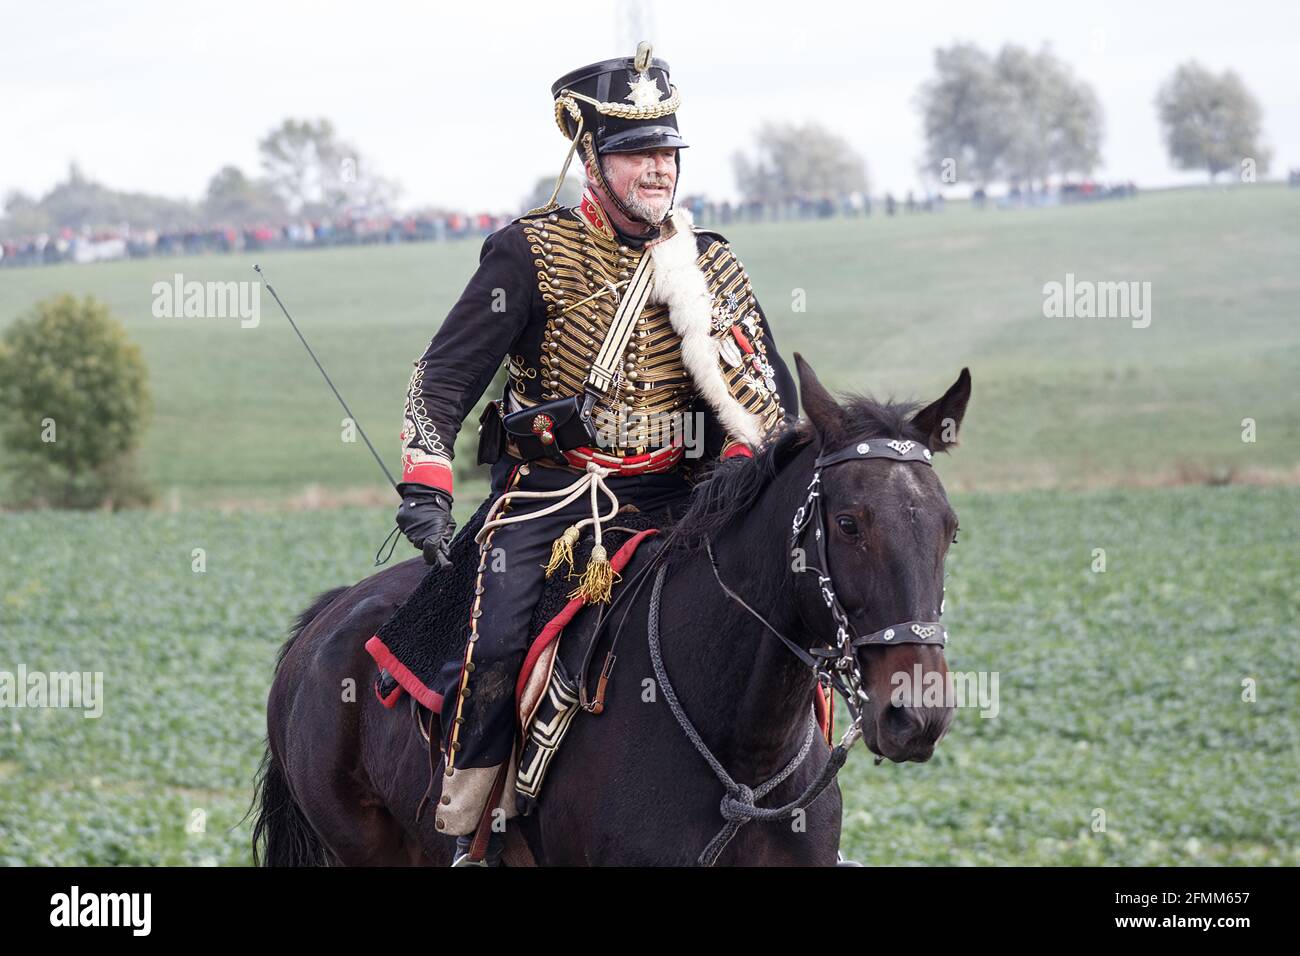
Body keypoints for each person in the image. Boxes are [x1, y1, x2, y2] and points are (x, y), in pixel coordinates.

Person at [393, 42, 797, 865]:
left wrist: (736, 476)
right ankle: (476, 830)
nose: (658, 170)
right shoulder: (528, 253)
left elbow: (765, 399)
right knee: (499, 636)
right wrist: (427, 485)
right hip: (558, 500)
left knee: (785, 618)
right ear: (589, 156)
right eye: (636, 152)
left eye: (667, 152)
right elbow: (440, 379)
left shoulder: (712, 262)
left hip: (687, 500)